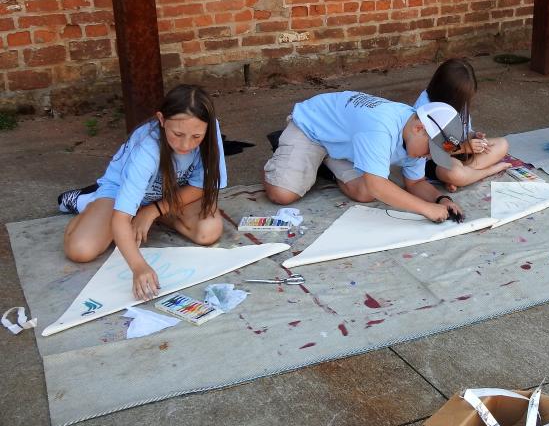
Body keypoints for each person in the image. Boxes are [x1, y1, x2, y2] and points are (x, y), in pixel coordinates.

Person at [60, 84, 227, 302]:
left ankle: (147, 214)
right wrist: (139, 267)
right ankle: (88, 203)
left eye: (196, 136)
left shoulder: (210, 130)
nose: (186, 144)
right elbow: (121, 218)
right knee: (80, 250)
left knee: (208, 231)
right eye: (177, 134)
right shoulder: (147, 149)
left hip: (168, 194)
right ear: (161, 119)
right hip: (119, 193)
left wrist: (153, 211)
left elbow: (201, 185)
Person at [262, 91, 466, 223]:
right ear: (419, 128)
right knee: (282, 194)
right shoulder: (380, 127)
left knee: (366, 193)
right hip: (312, 129)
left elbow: (416, 183)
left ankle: (325, 163)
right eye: (431, 150)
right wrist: (426, 209)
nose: (429, 157)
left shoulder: (414, 138)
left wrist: (442, 199)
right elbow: (378, 184)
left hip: (347, 141)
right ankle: (287, 143)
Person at [413, 58, 510, 190]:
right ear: (449, 95)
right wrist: (464, 148)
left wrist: (473, 136)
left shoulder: (458, 101)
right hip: (435, 161)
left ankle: (466, 174)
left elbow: (465, 131)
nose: (464, 103)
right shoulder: (426, 109)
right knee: (454, 173)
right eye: (462, 100)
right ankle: (486, 171)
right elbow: (430, 149)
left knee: (502, 144)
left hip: (460, 153)